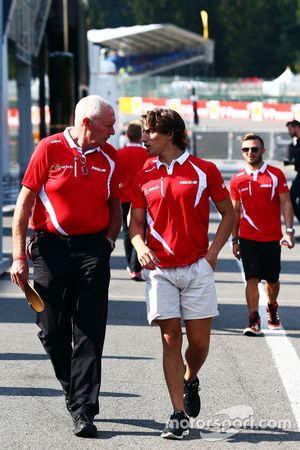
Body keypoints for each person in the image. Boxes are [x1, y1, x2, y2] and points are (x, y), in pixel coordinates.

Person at [10, 95, 122, 438]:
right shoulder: (49, 148)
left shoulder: (111, 157)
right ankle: (73, 390)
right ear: (87, 123)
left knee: (89, 331)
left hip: (92, 250)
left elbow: (116, 206)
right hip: (49, 250)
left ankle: (84, 408)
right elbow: (24, 205)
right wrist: (19, 256)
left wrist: (107, 243)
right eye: (108, 125)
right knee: (51, 329)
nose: (113, 131)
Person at [129, 107, 235, 440]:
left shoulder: (204, 170)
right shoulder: (143, 172)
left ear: (170, 134)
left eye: (150, 133)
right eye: (143, 132)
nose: (143, 138)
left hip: (197, 267)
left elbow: (229, 214)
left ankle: (191, 378)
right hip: (160, 269)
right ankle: (177, 414)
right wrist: (140, 245)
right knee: (171, 337)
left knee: (200, 343)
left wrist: (213, 253)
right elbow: (135, 223)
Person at [230, 133, 295, 337]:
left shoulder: (276, 175)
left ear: (263, 151)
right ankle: (253, 319)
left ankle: (272, 306)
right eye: (246, 149)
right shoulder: (237, 179)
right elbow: (234, 212)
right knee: (252, 279)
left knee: (272, 281)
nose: (250, 153)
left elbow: (286, 203)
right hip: (248, 238)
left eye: (254, 149)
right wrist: (235, 239)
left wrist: (289, 232)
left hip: (272, 239)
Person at [118, 120, 149, 280]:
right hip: (142, 198)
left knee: (126, 230)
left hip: (123, 197)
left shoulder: (119, 154)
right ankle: (136, 265)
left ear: (128, 135)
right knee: (140, 230)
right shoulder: (147, 155)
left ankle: (131, 266)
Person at [285, 120, 300, 240]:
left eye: (290, 129)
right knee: (291, 199)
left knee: (290, 198)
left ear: (296, 127)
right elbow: (293, 159)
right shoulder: (295, 144)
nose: (289, 132)